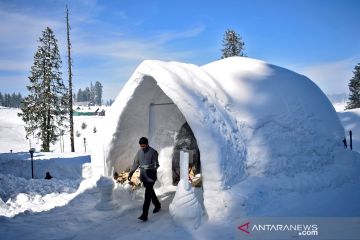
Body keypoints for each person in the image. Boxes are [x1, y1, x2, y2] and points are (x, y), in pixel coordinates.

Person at [128, 137, 161, 221]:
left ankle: (144, 214)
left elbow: (156, 165)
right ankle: (157, 205)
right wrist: (131, 172)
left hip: (151, 177)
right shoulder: (139, 152)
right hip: (144, 177)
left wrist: (146, 167)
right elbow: (136, 163)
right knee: (150, 192)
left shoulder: (153, 152)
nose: (142, 147)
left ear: (147, 144)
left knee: (147, 196)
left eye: (143, 146)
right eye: (141, 146)